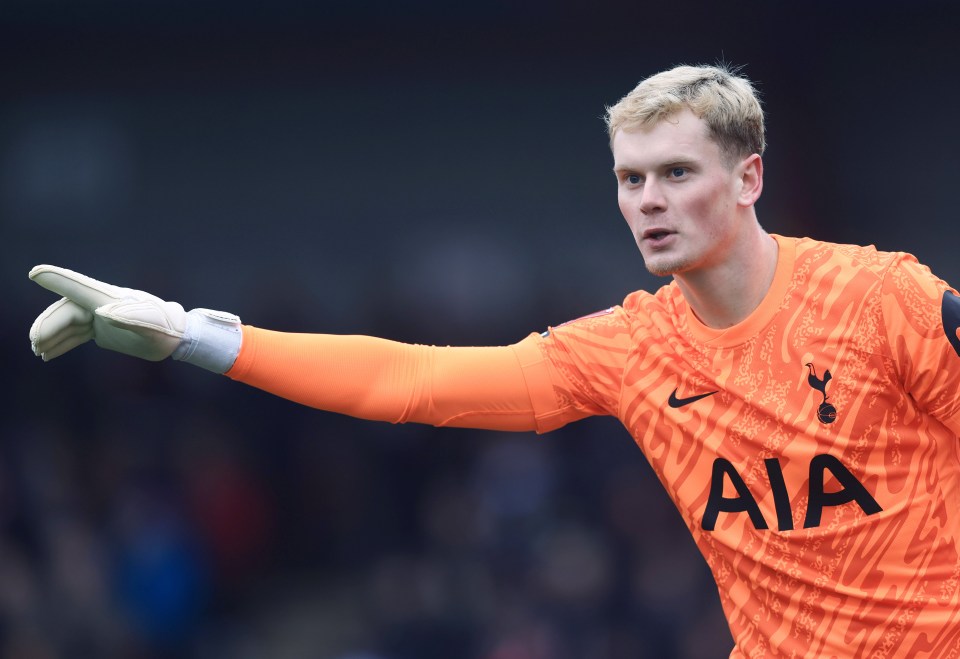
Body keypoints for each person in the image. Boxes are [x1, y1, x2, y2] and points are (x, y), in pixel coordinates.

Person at [27, 63, 960, 658]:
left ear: (749, 176)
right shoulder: (631, 348)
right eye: (630, 179)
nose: (647, 202)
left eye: (677, 173)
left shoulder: (883, 299)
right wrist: (194, 334)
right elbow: (416, 382)